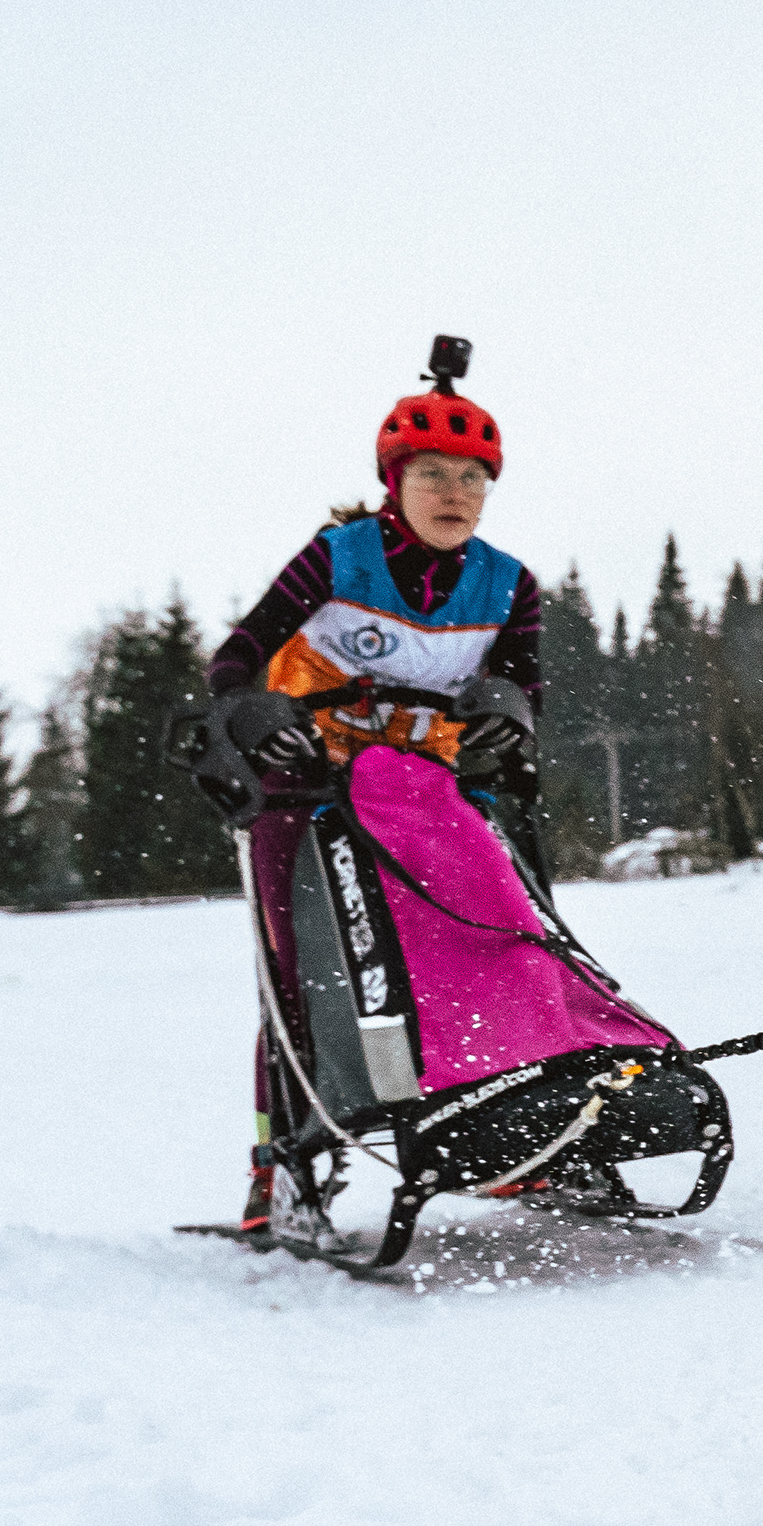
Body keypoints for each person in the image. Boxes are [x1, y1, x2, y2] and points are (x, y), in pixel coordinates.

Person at [201, 351, 544, 1237]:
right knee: (302, 973)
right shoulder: (336, 558)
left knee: (486, 946)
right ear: (395, 481)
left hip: (425, 793)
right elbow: (237, 656)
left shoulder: (509, 585)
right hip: (303, 784)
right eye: (432, 473)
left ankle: (500, 1136)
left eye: (473, 477)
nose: (453, 492)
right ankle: (281, 1168)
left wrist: (511, 713)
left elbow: (523, 683)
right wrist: (250, 712)